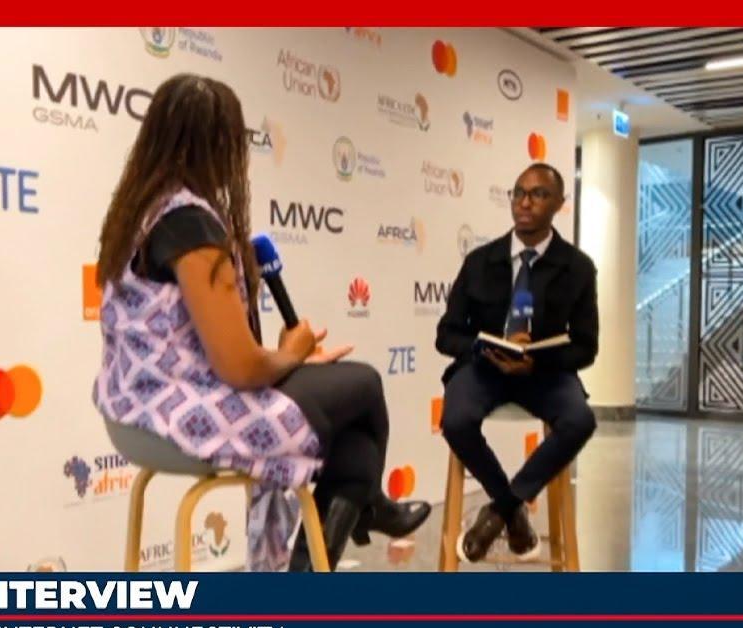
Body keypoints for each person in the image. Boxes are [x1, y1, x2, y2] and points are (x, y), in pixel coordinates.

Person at [92, 73, 430, 581]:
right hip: (178, 416)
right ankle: (359, 513)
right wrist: (293, 353)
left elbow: (212, 349)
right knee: (363, 385)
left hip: (132, 409)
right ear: (222, 146)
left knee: (351, 423)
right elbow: (242, 368)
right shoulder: (190, 224)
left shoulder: (139, 213)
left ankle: (356, 518)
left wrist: (290, 363)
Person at [435, 163, 599, 564]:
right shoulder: (479, 261)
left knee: (580, 420)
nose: (525, 203)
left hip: (545, 372)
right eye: (519, 193)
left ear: (559, 204)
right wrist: (484, 349)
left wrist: (539, 361)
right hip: (484, 368)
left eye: (538, 194)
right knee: (455, 420)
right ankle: (512, 510)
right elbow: (447, 335)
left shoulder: (577, 267)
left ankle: (499, 510)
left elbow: (586, 347)